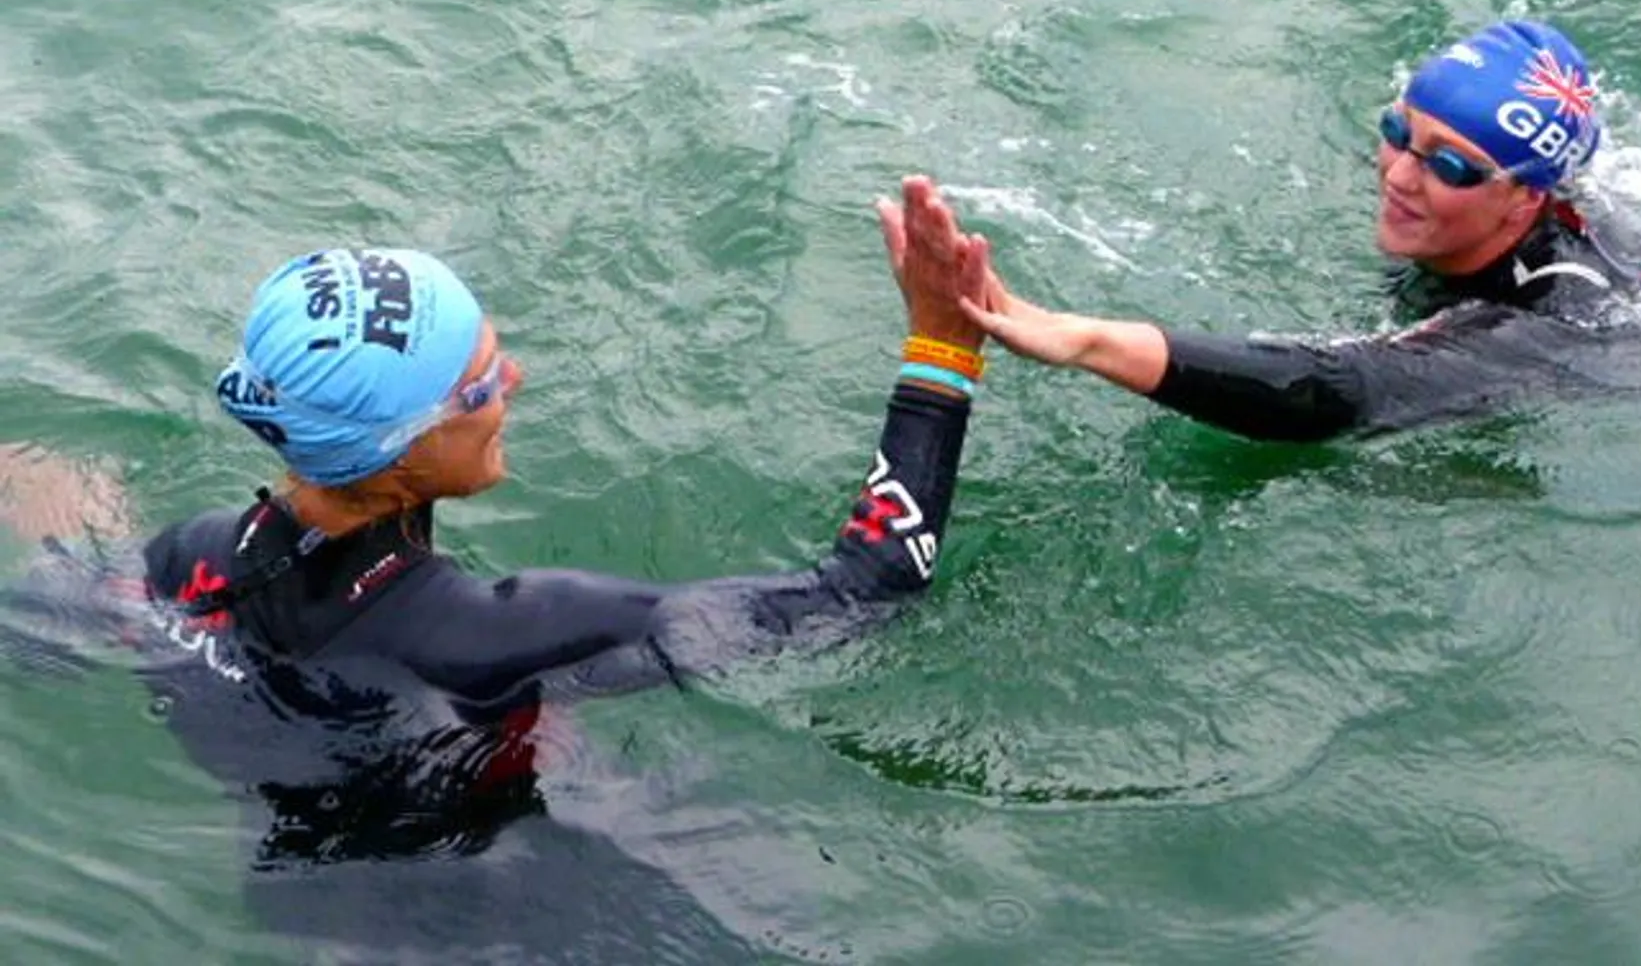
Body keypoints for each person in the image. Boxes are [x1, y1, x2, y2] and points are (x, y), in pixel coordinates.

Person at [0, 176, 993, 877]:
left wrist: (71, 534)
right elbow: (865, 590)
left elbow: (63, 622)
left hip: (308, 914)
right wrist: (940, 352)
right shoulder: (501, 635)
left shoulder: (189, 558)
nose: (509, 379)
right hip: (504, 918)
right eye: (479, 383)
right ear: (401, 451)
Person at [940, 19, 1641, 444]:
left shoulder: (1551, 314)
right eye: (1399, 133)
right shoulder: (1452, 206)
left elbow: (1339, 390)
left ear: (1524, 201)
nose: (1398, 176)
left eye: (1449, 166)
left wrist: (1086, 342)